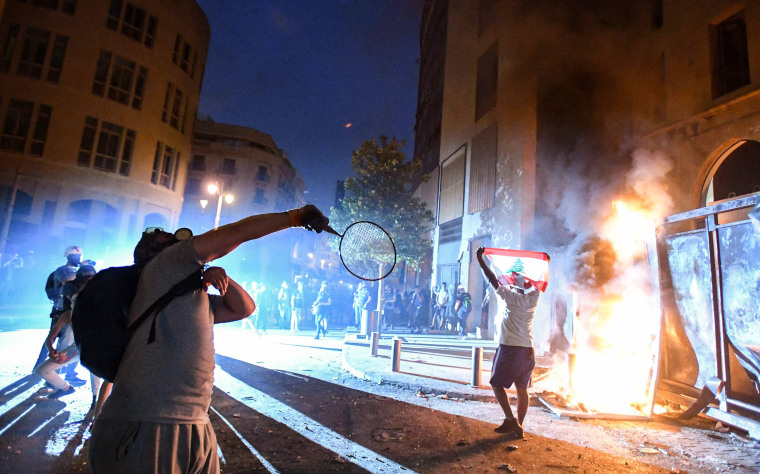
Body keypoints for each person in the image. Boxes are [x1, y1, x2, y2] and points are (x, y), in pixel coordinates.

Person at [88, 205, 329, 473]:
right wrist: (293, 217)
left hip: (192, 420)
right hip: (153, 421)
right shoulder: (163, 265)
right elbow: (235, 233)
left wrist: (220, 276)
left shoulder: (186, 295)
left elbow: (244, 308)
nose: (176, 239)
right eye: (167, 238)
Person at [476, 247, 542, 440]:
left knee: (496, 383)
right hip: (528, 350)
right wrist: (545, 264)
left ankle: (510, 419)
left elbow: (491, 278)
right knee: (523, 389)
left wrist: (481, 259)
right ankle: (519, 425)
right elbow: (541, 281)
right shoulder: (534, 299)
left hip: (509, 348)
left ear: (514, 286)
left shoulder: (510, 298)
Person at [33, 265, 101, 402]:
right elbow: (50, 338)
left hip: (91, 349)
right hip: (78, 347)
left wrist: (69, 356)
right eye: (71, 297)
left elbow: (91, 344)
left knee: (95, 366)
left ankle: (95, 401)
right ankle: (64, 388)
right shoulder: (68, 314)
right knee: (41, 370)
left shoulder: (94, 314)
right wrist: (52, 350)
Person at [33, 245, 86, 386]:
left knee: (66, 343)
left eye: (80, 257)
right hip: (61, 311)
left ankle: (65, 373)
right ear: (69, 257)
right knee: (59, 342)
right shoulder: (63, 271)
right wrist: (84, 272)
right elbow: (70, 281)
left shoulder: (73, 271)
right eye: (77, 257)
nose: (79, 259)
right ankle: (48, 372)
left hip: (67, 310)